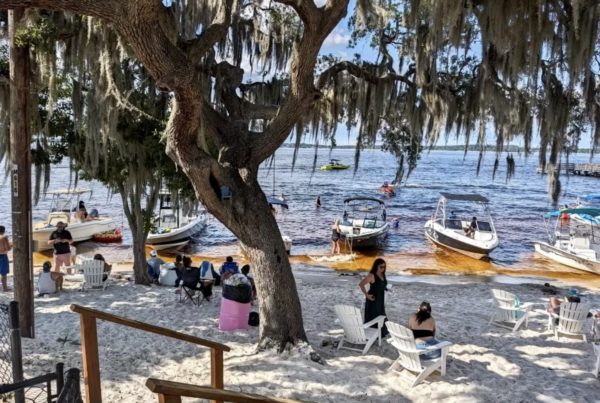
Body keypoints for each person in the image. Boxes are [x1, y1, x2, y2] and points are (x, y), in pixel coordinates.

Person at [359, 258, 389, 337]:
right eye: (381, 267)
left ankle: (381, 331)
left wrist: (385, 288)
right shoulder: (372, 275)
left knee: (381, 313)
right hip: (373, 298)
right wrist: (367, 295)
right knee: (374, 314)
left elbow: (382, 284)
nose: (383, 269)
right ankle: (372, 332)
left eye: (384, 267)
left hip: (380, 297)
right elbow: (361, 284)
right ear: (376, 266)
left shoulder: (382, 274)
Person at [0, 226, 11, 292]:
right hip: (2, 256)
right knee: (3, 274)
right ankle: (5, 288)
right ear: (3, 231)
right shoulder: (3, 238)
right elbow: (8, 248)